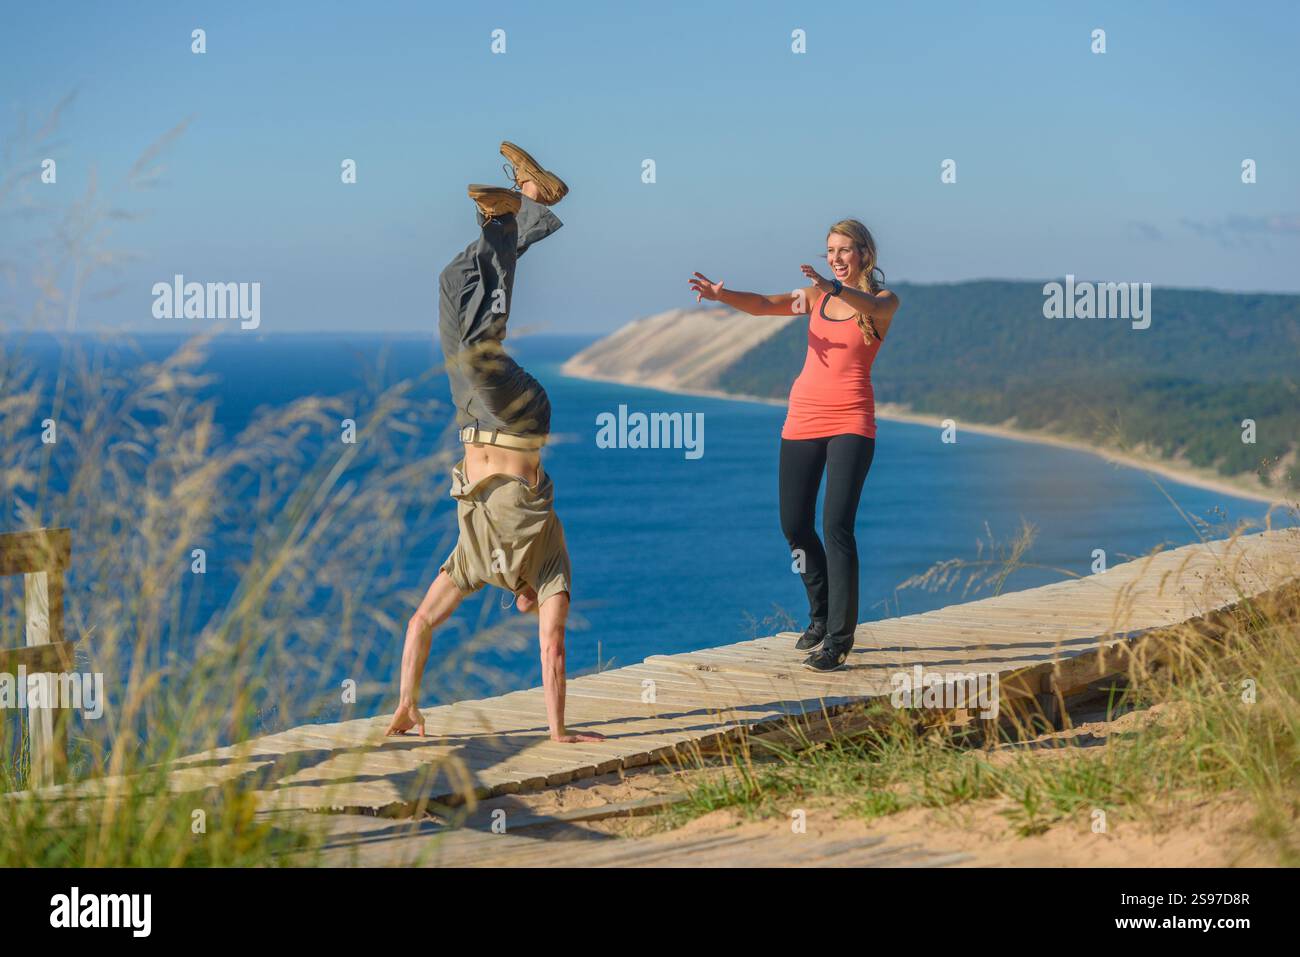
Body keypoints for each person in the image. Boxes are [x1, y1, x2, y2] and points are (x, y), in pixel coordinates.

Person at [387, 142, 604, 743]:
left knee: (453, 284)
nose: (535, 607)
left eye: (528, 606)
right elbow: (553, 648)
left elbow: (420, 622)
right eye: (539, 604)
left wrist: (407, 702)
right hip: (522, 418)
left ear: (514, 601)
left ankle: (528, 204)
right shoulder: (551, 564)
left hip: (470, 416)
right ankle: (504, 217)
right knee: (481, 343)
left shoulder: (474, 565)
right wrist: (559, 733)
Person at [688, 220, 900, 672]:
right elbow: (765, 304)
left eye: (845, 249)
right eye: (830, 250)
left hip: (851, 421)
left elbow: (864, 302)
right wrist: (722, 295)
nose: (836, 257)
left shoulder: (881, 302)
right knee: (795, 526)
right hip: (802, 417)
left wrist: (832, 288)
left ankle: (840, 640)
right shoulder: (817, 298)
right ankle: (820, 616)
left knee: (837, 527)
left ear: (864, 253)